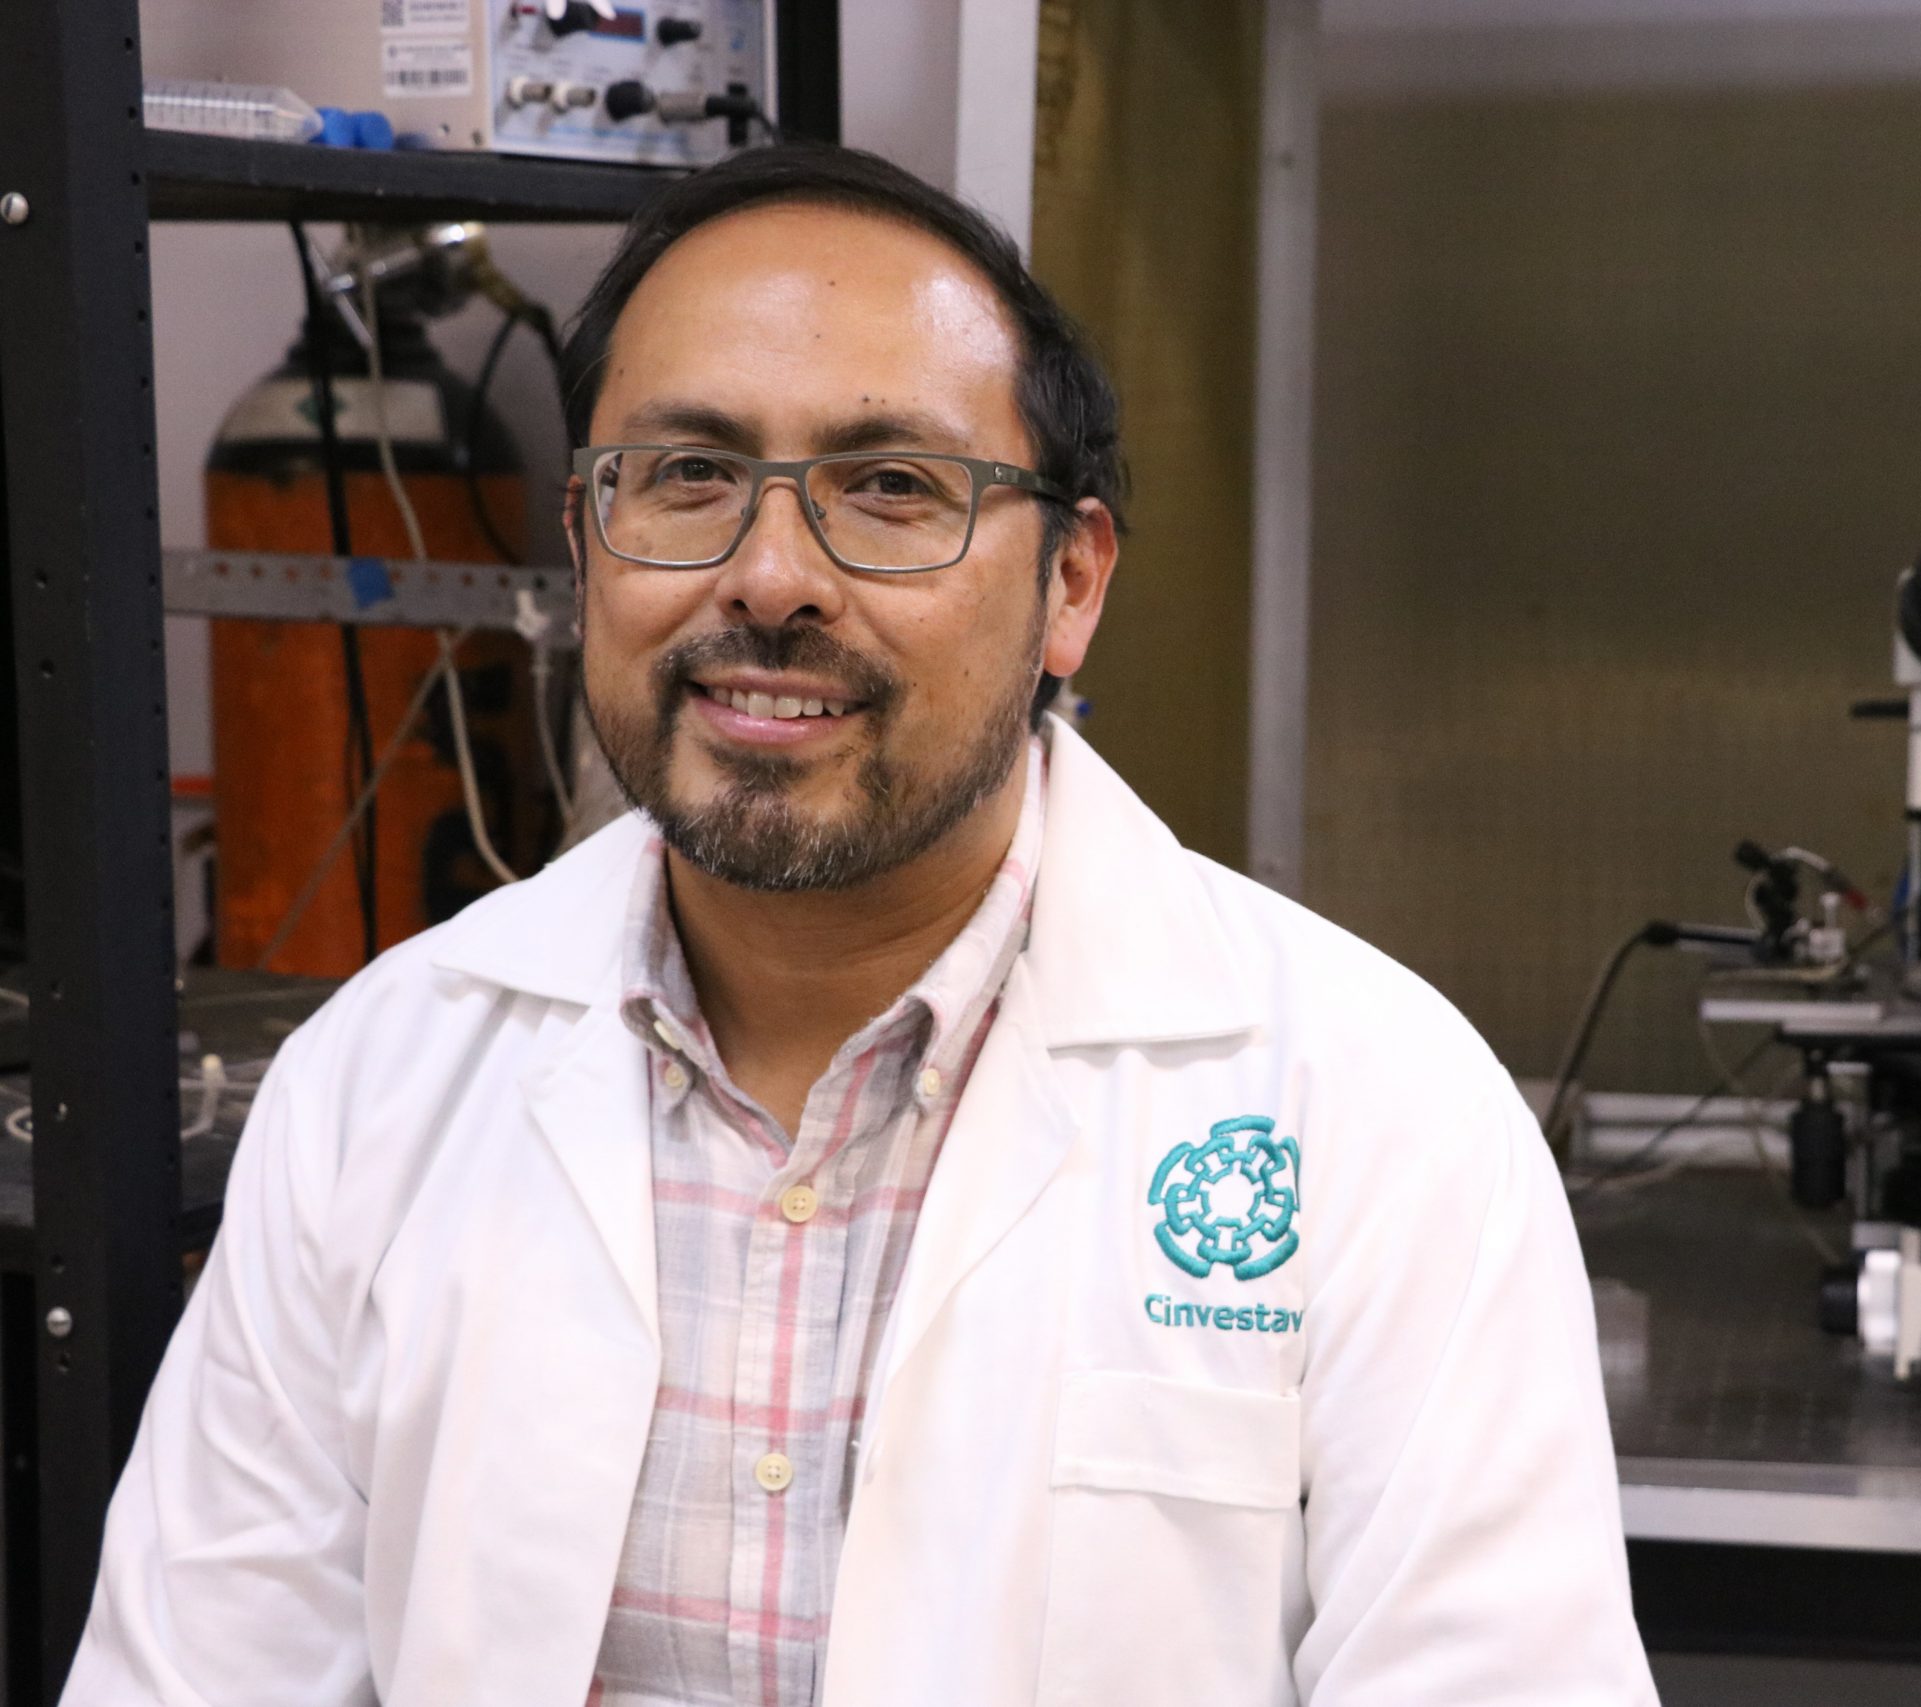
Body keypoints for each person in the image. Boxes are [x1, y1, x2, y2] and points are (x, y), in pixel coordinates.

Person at [67, 143, 1653, 1706]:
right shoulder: (377, 1084)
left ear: (1073, 582)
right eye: (686, 476)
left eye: (891, 488)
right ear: (584, 538)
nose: (771, 579)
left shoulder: (1380, 1115)